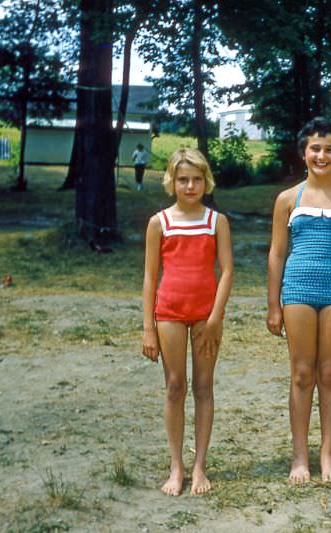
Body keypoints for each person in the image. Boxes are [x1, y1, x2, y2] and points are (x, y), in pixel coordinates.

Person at [266, 117, 331, 484]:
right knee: (302, 373)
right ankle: (299, 457)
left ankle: (327, 453)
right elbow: (277, 253)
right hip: (297, 293)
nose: (321, 155)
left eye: (329, 150)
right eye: (315, 149)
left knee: (329, 373)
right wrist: (273, 304)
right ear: (304, 154)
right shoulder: (287, 199)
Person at [141, 148, 234, 496]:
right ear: (172, 182)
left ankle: (200, 467)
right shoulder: (159, 222)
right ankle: (176, 467)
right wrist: (148, 327)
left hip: (206, 316)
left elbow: (227, 272)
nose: (190, 186)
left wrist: (215, 317)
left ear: (205, 181)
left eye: (197, 179)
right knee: (175, 386)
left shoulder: (216, 221)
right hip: (169, 313)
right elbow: (150, 277)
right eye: (183, 179)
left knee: (204, 386)